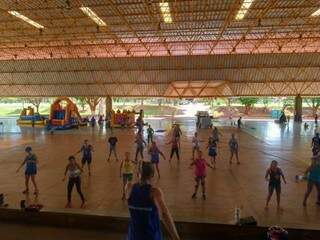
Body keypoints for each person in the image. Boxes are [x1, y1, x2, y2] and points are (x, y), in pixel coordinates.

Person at [126, 162, 180, 240]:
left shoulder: (128, 187)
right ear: (152, 175)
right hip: (151, 236)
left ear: (138, 173)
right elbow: (164, 214)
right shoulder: (154, 192)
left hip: (133, 235)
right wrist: (176, 237)